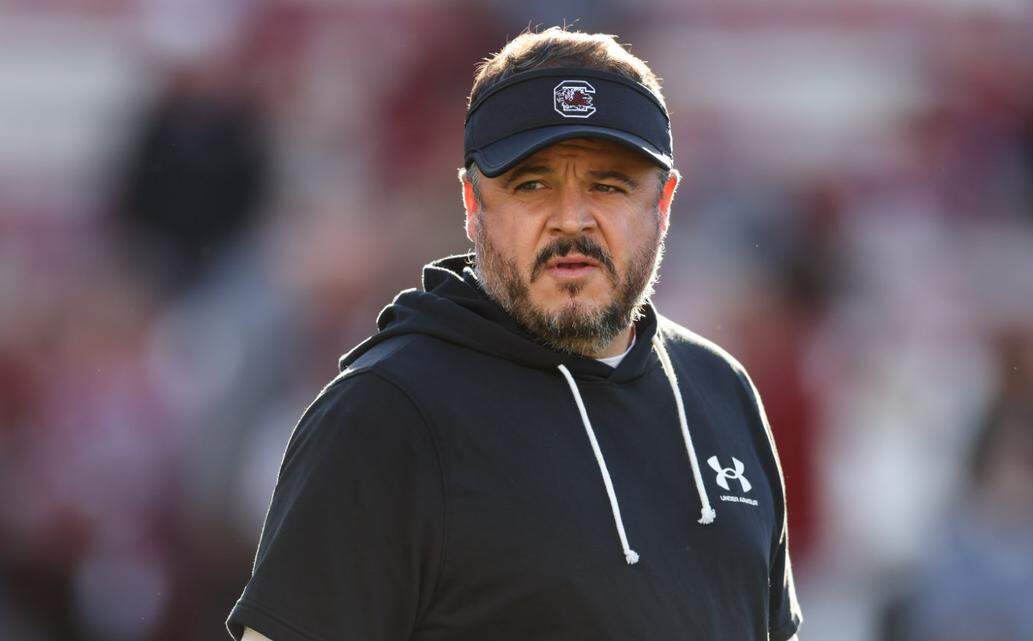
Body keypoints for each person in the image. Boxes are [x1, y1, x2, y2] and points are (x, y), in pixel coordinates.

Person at [227, 26, 802, 641]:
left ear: (663, 203)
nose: (572, 219)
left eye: (608, 185)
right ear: (473, 205)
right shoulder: (386, 413)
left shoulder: (722, 391)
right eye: (532, 184)